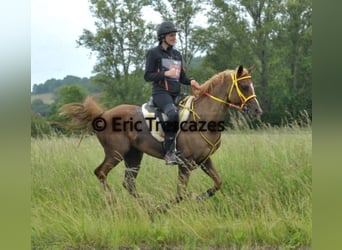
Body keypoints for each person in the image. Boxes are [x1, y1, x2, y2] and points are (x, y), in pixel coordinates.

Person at [144, 21, 200, 165]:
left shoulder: (176, 54)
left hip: (177, 93)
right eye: (171, 35)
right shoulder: (153, 53)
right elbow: (147, 76)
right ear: (163, 37)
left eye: (175, 35)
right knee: (173, 114)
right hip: (160, 94)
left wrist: (191, 81)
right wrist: (165, 73)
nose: (174, 38)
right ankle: (169, 152)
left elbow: (182, 78)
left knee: (195, 108)